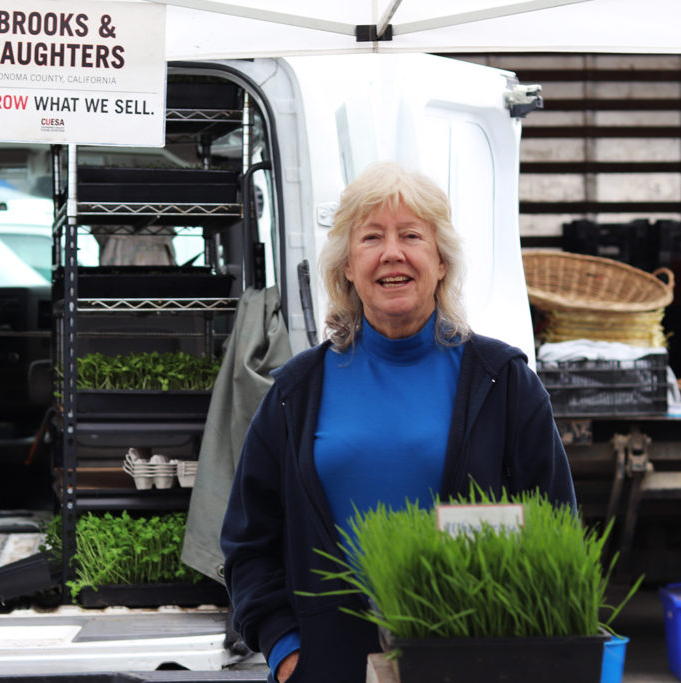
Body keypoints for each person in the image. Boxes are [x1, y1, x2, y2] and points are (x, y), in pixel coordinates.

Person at [220, 161, 576, 683]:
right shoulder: (297, 391)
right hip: (328, 665)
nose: (392, 253)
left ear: (441, 262)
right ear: (346, 265)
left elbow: (555, 530)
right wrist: (284, 649)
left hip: (469, 660)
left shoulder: (502, 382)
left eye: (412, 235)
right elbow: (249, 542)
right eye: (370, 237)